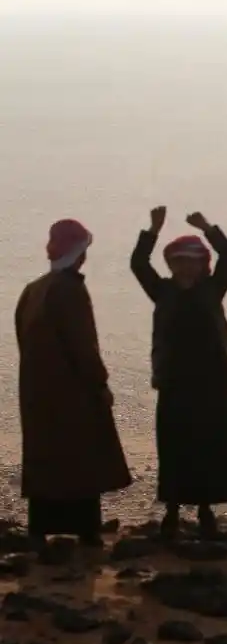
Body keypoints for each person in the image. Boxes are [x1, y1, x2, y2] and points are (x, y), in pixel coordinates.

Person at [130, 207, 227, 539]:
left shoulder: (212, 289)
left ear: (202, 265)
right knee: (175, 447)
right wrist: (152, 231)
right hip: (174, 383)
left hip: (212, 384)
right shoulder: (163, 292)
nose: (185, 267)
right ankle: (171, 511)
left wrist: (207, 228)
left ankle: (205, 511)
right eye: (179, 261)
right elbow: (138, 265)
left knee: (210, 447)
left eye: (192, 261)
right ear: (171, 266)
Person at [15, 219, 132, 547]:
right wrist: (100, 384)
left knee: (46, 461)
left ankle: (40, 529)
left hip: (37, 394)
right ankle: (85, 530)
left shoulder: (33, 290)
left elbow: (23, 341)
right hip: (73, 395)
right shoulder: (70, 290)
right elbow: (83, 346)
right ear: (78, 254)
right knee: (82, 460)